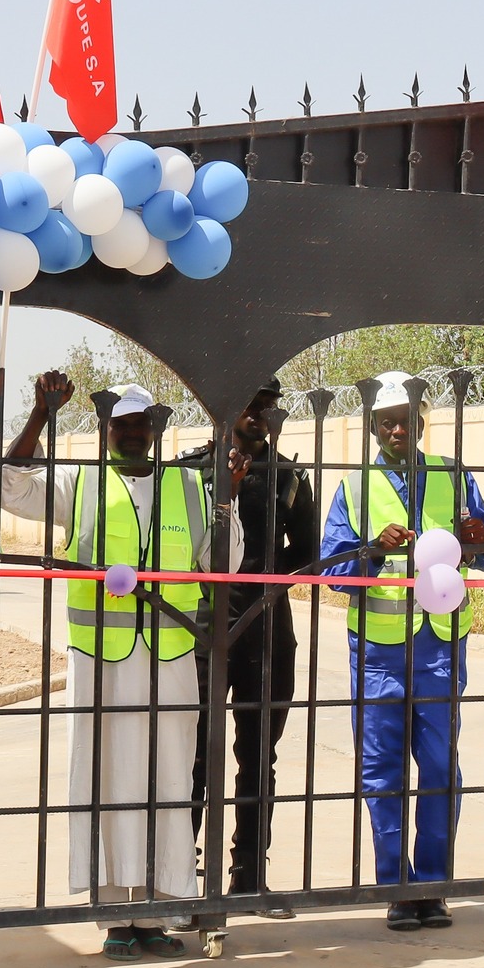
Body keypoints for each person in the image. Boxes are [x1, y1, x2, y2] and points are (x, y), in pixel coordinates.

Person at [2, 373, 246, 960]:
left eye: (144, 423)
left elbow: (226, 561)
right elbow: (10, 484)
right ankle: (116, 914)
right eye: (123, 424)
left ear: (159, 428)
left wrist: (229, 498)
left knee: (167, 781)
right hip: (102, 663)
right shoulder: (79, 483)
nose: (134, 433)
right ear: (108, 429)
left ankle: (158, 911)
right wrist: (40, 414)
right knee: (108, 781)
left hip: (172, 658)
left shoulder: (190, 487)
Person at [319, 371, 484, 932]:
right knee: (382, 771)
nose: (397, 429)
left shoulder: (453, 474)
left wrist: (479, 540)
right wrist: (370, 551)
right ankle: (397, 886)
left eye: (406, 420)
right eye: (387, 422)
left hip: (441, 644)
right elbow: (334, 573)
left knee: (441, 768)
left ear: (421, 422)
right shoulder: (353, 488)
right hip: (378, 648)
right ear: (373, 427)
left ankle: (434, 884)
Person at [182, 379, 316, 918]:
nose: (260, 412)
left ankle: (248, 877)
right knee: (192, 757)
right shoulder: (192, 469)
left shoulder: (288, 477)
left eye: (268, 404)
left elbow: (307, 552)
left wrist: (264, 580)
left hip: (267, 628)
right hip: (201, 625)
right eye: (251, 402)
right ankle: (178, 879)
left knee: (259, 755)